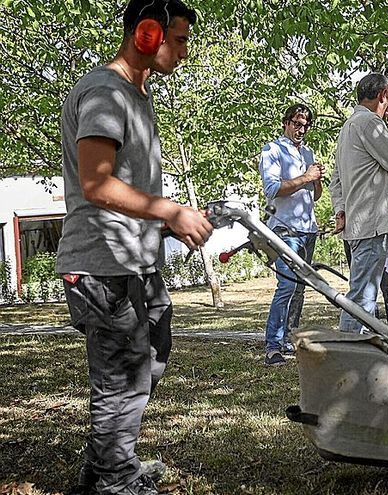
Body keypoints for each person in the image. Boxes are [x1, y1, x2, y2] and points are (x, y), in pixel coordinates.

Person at [56, 1, 213, 493]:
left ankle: (104, 463)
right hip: (102, 267)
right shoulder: (105, 92)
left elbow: (126, 191)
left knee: (148, 357)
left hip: (134, 261)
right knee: (122, 379)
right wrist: (168, 210)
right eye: (180, 38)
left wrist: (166, 224)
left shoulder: (136, 95)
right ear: (148, 34)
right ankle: (115, 481)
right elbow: (96, 184)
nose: (186, 51)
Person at [330, 73, 388, 333]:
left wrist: (340, 209)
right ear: (384, 95)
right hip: (372, 225)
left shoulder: (348, 127)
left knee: (364, 292)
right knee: (361, 297)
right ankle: (345, 356)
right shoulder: (369, 124)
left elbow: (336, 179)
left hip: (358, 224)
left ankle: (357, 351)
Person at [259, 103, 323, 366]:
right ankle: (272, 346)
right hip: (284, 228)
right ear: (286, 123)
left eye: (306, 124)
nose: (301, 129)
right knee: (286, 286)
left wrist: (316, 180)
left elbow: (315, 196)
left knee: (299, 289)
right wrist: (306, 177)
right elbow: (272, 189)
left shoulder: (307, 152)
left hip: (308, 228)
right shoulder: (272, 150)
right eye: (297, 123)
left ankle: (289, 338)